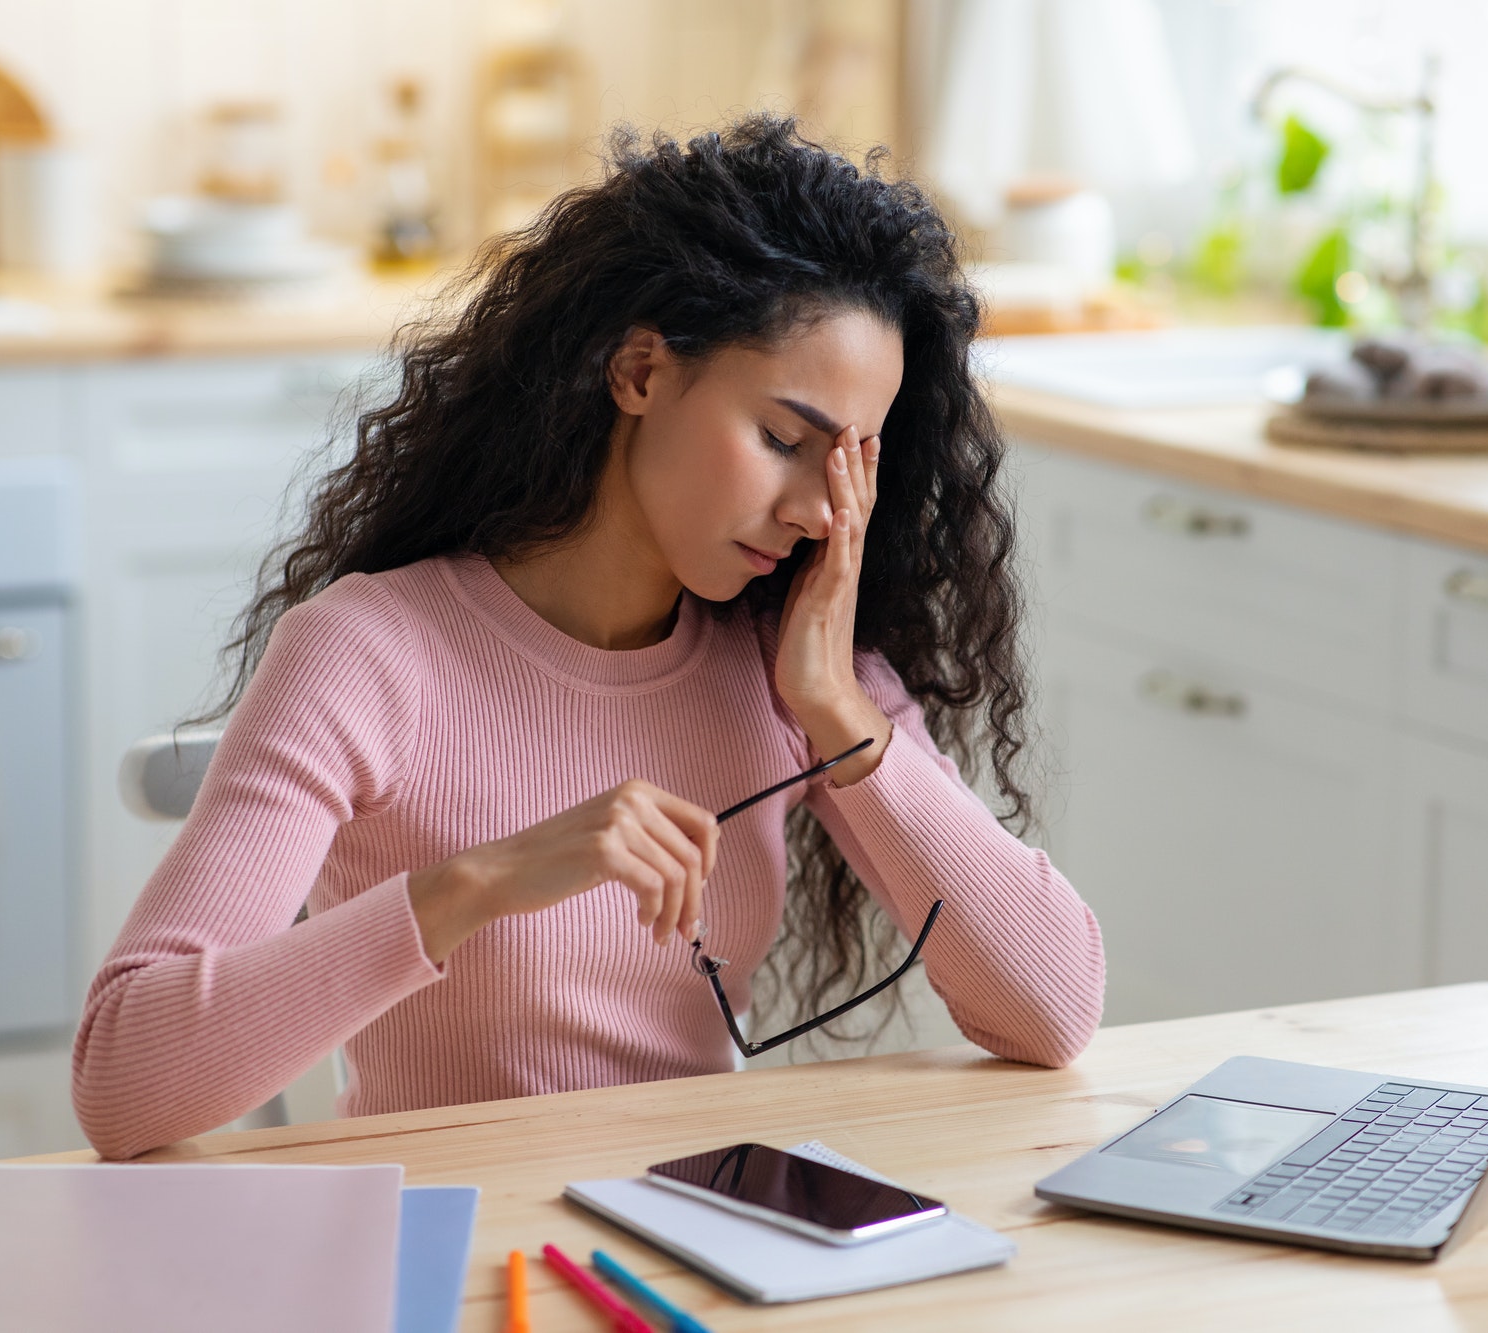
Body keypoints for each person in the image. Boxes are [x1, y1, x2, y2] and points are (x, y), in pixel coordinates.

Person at [72, 116, 1105, 1160]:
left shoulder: (795, 660)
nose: (815, 511)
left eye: (850, 465)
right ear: (641, 373)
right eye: (783, 440)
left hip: (691, 1244)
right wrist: (473, 884)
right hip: (451, 1252)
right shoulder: (368, 653)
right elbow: (121, 1082)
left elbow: (1052, 1011)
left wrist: (838, 715)